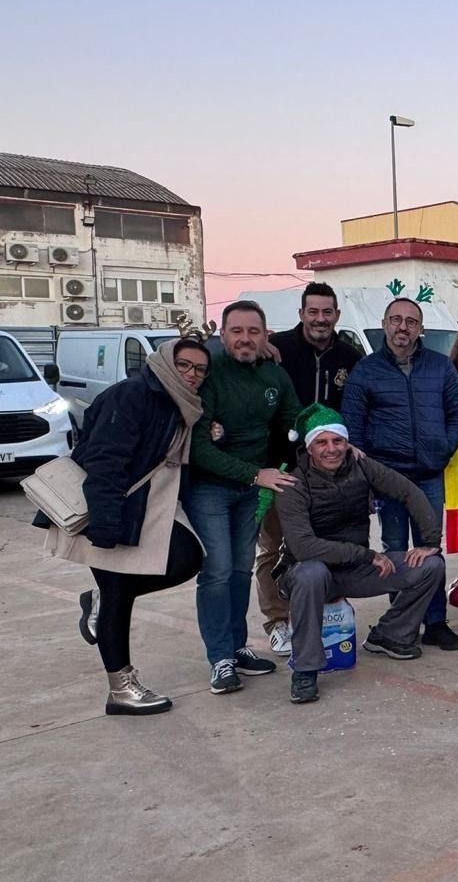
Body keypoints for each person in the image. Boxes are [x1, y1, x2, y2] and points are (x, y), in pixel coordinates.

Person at [47, 337, 210, 716]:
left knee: (188, 558)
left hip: (151, 504)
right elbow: (104, 458)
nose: (192, 374)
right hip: (116, 505)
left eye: (200, 369)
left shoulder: (178, 401)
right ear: (167, 362)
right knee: (119, 590)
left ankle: (99, 602)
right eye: (184, 364)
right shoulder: (133, 395)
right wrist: (105, 522)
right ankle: (120, 688)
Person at [274, 404, 446, 703]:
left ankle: (390, 635)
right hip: (307, 573)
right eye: (322, 442)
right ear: (309, 447)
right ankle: (305, 668)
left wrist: (430, 540)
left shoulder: (362, 466)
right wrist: (366, 555)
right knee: (312, 572)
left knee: (430, 565)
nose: (331, 449)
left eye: (338, 441)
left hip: (353, 571)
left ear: (347, 442)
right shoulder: (293, 483)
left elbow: (409, 491)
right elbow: (304, 546)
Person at [343, 296, 458, 651]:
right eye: (396, 320)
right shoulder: (366, 370)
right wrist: (368, 473)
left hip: (429, 474)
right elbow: (353, 428)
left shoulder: (440, 367)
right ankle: (401, 624)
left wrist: (442, 448)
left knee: (430, 548)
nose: (403, 327)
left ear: (420, 329)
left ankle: (435, 622)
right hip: (387, 477)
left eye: (411, 322)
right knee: (396, 550)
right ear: (385, 324)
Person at [185, 300, 298, 694]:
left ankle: (236, 646)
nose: (246, 338)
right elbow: (200, 448)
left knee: (239, 570)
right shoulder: (210, 375)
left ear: (266, 336)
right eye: (237, 331)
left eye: (254, 331)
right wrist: (256, 473)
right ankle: (220, 659)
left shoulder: (274, 376)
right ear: (223, 335)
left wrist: (322, 443)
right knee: (215, 571)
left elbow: (292, 425)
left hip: (253, 490)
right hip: (210, 490)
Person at [256, 282, 362, 656]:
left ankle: (325, 612)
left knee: (325, 541)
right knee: (275, 546)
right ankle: (278, 620)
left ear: (336, 315)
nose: (320, 319)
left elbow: (357, 408)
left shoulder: (350, 356)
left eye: (327, 312)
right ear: (301, 313)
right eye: (313, 311)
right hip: (281, 466)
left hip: (331, 470)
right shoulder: (277, 349)